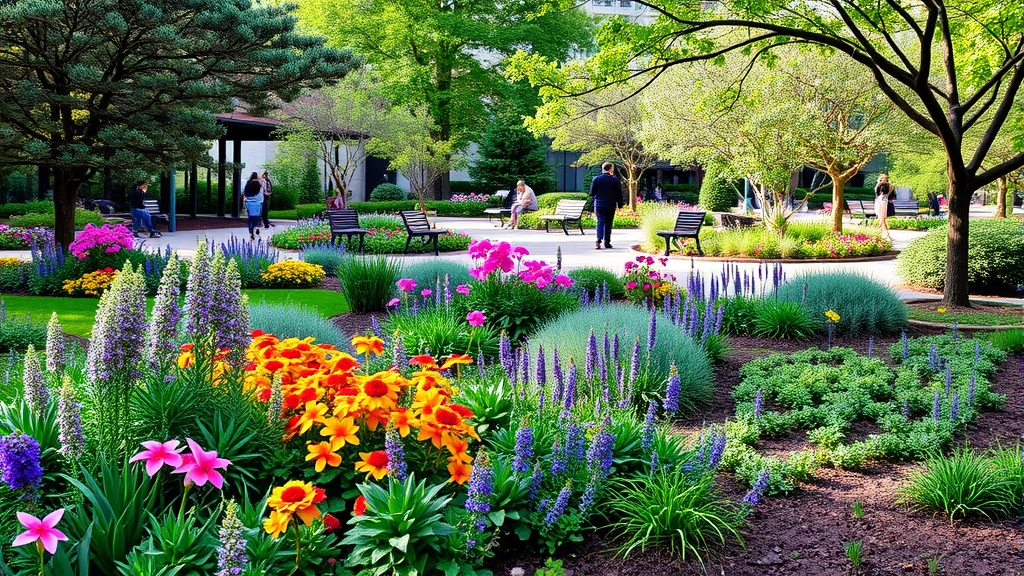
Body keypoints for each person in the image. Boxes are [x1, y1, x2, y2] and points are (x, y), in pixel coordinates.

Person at [589, 162, 624, 250]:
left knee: (600, 221)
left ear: (603, 169)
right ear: (611, 169)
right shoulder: (615, 180)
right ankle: (607, 242)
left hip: (599, 204)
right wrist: (620, 205)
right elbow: (619, 194)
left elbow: (592, 193)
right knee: (608, 223)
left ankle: (598, 239)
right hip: (610, 204)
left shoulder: (596, 179)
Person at [243, 172, 264, 240]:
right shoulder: (259, 184)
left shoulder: (248, 183)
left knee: (250, 218)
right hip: (258, 203)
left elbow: (245, 192)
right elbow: (261, 193)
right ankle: (257, 228)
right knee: (257, 217)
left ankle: (251, 232)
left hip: (249, 202)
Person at [874, 173, 895, 241]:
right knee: (881, 219)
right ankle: (884, 234)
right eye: (882, 179)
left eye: (885, 179)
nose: (884, 180)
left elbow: (889, 191)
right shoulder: (879, 186)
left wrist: (884, 182)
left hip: (883, 203)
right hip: (880, 203)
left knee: (882, 220)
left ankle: (883, 234)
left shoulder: (888, 186)